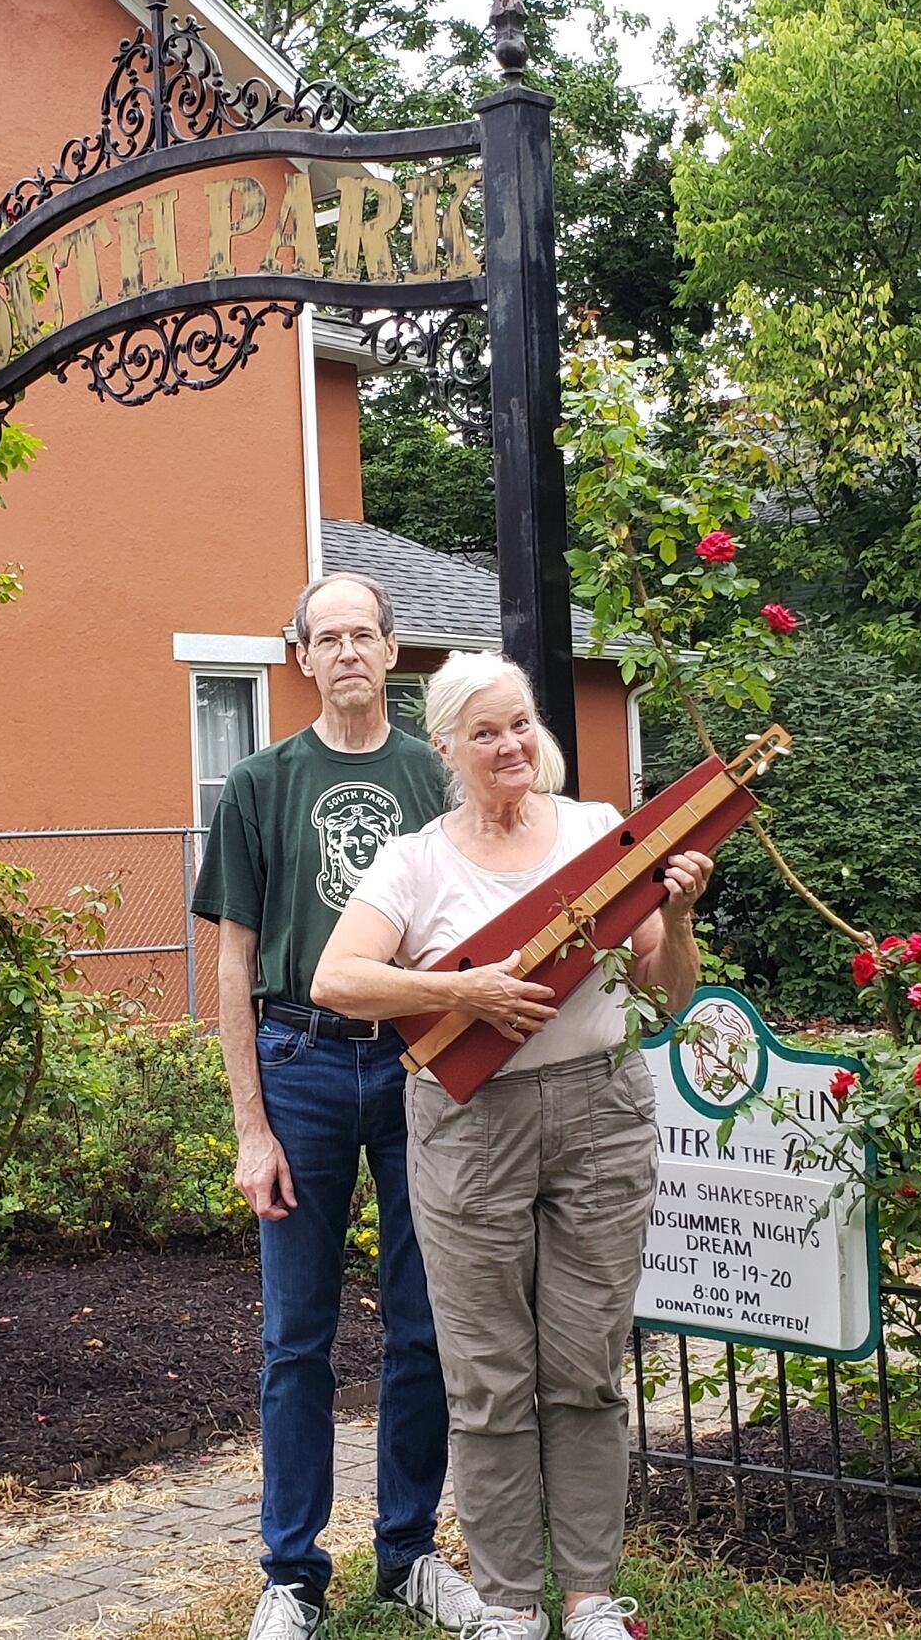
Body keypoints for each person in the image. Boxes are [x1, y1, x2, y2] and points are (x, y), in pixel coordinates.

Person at [313, 651, 713, 1640]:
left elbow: (668, 997)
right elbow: (337, 980)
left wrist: (679, 910)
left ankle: (586, 1596)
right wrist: (460, 991)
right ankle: (504, 1605)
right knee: (489, 1378)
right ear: (446, 745)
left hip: (599, 1115)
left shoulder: (595, 837)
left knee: (584, 1370)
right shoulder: (415, 859)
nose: (510, 746)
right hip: (470, 1127)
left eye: (522, 724)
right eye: (485, 731)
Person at [191, 575, 483, 1640]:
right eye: (330, 637)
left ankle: (407, 1554)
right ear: (301, 657)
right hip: (300, 1069)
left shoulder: (436, 776)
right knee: (296, 1338)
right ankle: (290, 1575)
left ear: (393, 652)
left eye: (367, 634)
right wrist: (250, 1126)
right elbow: (231, 962)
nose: (349, 651)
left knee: (423, 1327)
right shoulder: (260, 784)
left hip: (419, 1071)